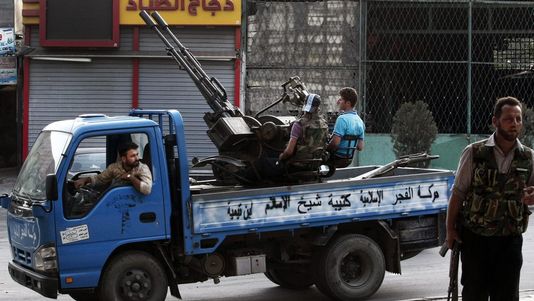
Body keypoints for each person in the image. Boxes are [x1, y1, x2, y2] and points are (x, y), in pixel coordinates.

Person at [446, 96, 534, 301]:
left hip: (509, 241)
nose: (515, 124)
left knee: (507, 295)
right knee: (474, 294)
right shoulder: (475, 152)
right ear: (495, 121)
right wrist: (450, 229)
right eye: (509, 119)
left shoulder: (528, 157)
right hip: (476, 240)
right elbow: (458, 194)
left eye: (518, 119)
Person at [74, 142, 152, 195]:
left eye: (137, 155)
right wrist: (85, 180)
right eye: (133, 156)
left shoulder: (142, 168)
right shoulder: (114, 168)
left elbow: (147, 189)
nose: (137, 158)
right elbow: (100, 179)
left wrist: (131, 177)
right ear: (124, 159)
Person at [278, 93, 329, 165]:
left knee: (267, 162)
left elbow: (289, 152)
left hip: (299, 164)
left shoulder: (298, 124)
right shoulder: (324, 124)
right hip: (316, 163)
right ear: (318, 107)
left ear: (305, 106)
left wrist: (281, 157)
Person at [327, 87, 365, 165]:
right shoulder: (360, 121)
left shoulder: (342, 119)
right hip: (348, 160)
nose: (338, 101)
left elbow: (335, 143)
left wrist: (325, 148)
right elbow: (360, 147)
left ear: (348, 103)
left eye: (341, 99)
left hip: (335, 158)